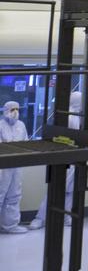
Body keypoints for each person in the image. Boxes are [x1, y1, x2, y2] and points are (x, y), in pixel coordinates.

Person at [30, 90, 83, 230]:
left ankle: (66, 217)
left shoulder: (76, 116)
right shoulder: (69, 116)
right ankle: (40, 218)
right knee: (57, 188)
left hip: (73, 158)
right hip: (64, 158)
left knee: (70, 190)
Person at [0, 100, 29, 234]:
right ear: (5, 111)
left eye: (17, 109)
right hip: (3, 165)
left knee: (14, 195)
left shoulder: (21, 125)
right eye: (12, 110)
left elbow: (26, 143)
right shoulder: (0, 125)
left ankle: (10, 225)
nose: (15, 112)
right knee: (0, 193)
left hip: (17, 164)